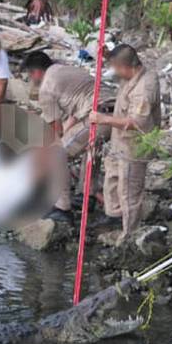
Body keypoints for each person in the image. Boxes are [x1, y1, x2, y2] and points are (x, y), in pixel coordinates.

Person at [88, 44, 161, 240]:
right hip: (119, 142)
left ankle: (129, 234)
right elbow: (120, 63)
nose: (115, 72)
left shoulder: (145, 87)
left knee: (129, 190)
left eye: (115, 67)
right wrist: (107, 57)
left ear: (125, 67)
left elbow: (136, 122)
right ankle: (114, 218)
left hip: (135, 145)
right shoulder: (131, 74)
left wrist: (102, 119)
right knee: (112, 180)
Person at [22, 51, 105, 222]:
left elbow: (55, 131)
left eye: (30, 75)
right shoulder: (68, 70)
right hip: (115, 112)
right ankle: (86, 197)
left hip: (98, 118)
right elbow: (74, 115)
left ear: (36, 72)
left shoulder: (46, 87)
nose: (31, 79)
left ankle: (62, 207)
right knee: (92, 150)